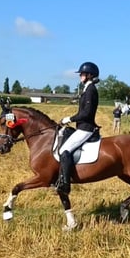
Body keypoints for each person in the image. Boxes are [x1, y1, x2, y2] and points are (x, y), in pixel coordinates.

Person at [56, 62, 100, 196]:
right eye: (81, 74)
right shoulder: (86, 89)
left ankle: (65, 184)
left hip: (86, 128)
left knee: (64, 150)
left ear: (89, 75)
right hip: (82, 126)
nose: (80, 76)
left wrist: (69, 119)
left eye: (82, 74)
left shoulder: (91, 90)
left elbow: (86, 114)